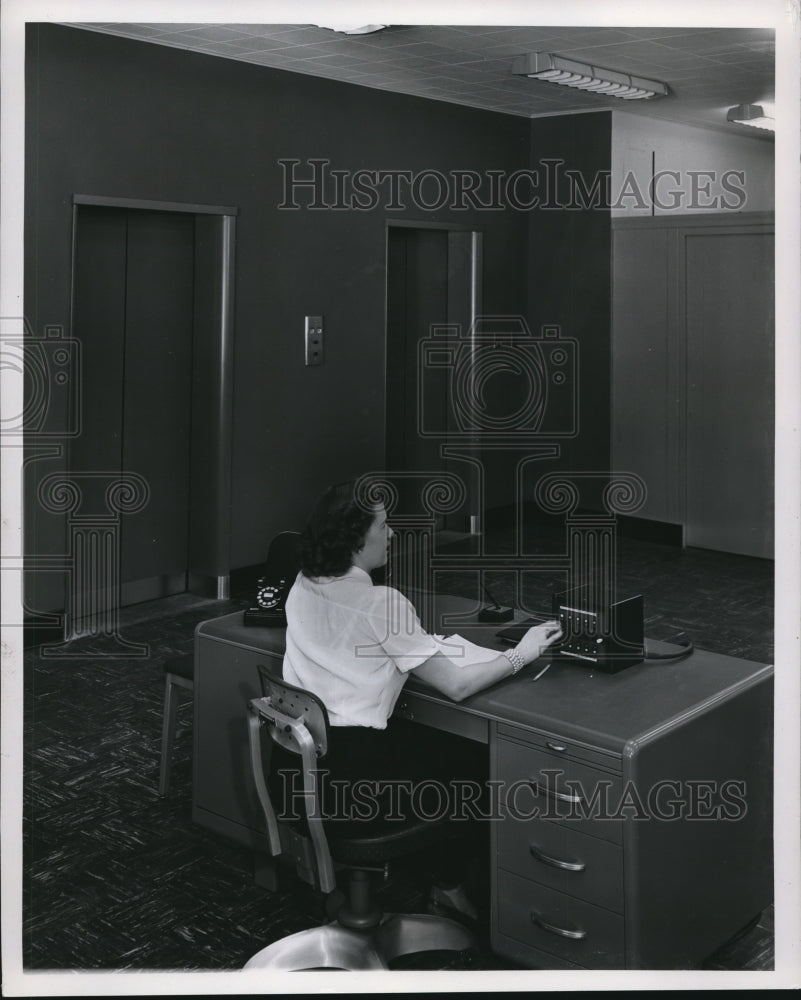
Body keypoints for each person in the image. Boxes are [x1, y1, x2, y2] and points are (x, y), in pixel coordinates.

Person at [279, 480, 563, 921]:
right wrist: (520, 654)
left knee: (434, 749)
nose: (391, 535)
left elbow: (350, 639)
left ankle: (440, 880)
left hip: (303, 774)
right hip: (360, 790)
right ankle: (457, 890)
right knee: (479, 767)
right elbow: (457, 687)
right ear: (357, 537)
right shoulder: (381, 603)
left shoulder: (303, 584)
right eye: (384, 526)